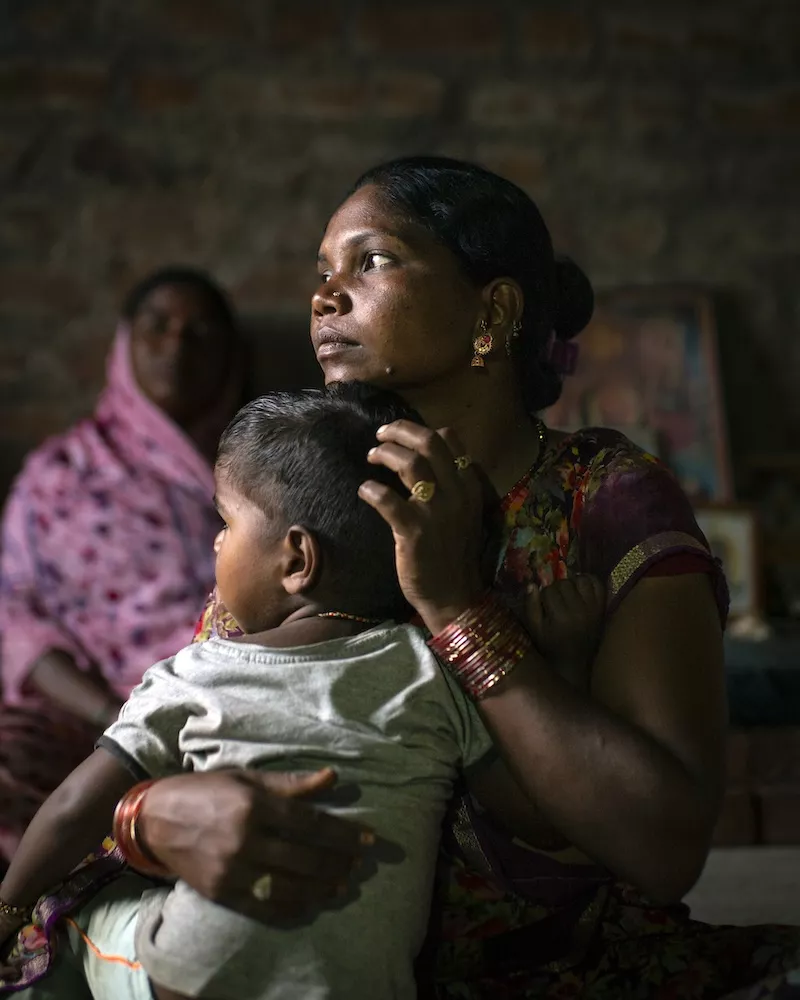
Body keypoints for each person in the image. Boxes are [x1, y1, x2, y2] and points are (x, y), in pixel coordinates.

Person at [6, 157, 800, 999]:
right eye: (322, 274)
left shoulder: (605, 498)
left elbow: (664, 848)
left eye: (371, 261)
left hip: (564, 968)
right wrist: (149, 823)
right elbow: (214, 716)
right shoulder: (318, 497)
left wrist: (458, 607)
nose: (325, 297)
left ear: (492, 311)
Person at [0, 383, 604, 999]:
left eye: (226, 522)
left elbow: (76, 806)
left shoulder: (195, 672)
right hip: (361, 986)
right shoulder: (434, 669)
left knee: (70, 911)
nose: (215, 543)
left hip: (190, 975)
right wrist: (568, 663)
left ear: (297, 561)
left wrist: (8, 909)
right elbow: (537, 816)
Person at [0, 267, 242, 865]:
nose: (176, 347)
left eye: (199, 333)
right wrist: (115, 718)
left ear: (228, 357)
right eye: (157, 327)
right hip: (84, 712)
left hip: (221, 704)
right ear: (124, 344)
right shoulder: (61, 474)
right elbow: (15, 617)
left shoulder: (262, 473)